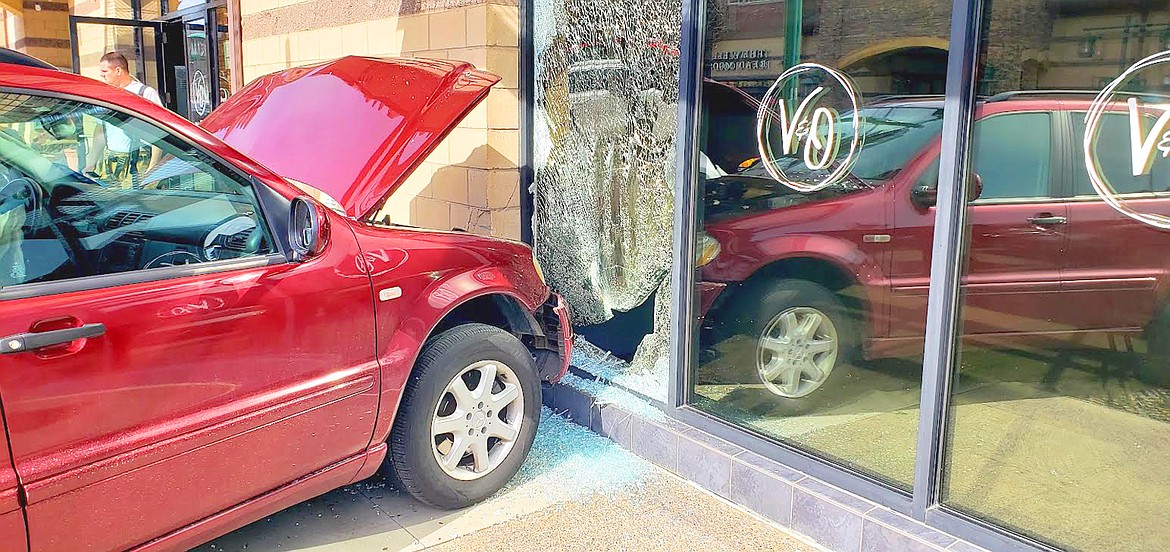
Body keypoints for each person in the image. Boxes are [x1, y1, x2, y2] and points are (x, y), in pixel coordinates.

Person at [83, 51, 164, 188]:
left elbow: (158, 132)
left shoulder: (144, 93)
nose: (101, 75)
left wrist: (153, 169)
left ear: (118, 71)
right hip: (112, 163)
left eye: (105, 71)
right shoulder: (106, 96)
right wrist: (91, 164)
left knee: (138, 204)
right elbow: (100, 132)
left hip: (139, 163)